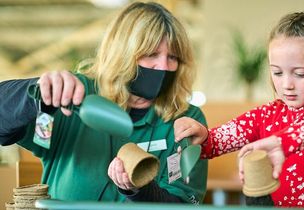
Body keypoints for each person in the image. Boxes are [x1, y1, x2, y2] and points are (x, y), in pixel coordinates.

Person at [0, 2, 208, 203]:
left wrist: (141, 189)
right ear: (122, 54)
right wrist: (37, 92)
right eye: (151, 54)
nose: (163, 66)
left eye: (173, 57)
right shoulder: (74, 99)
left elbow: (183, 202)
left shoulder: (185, 120)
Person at [174, 11, 304, 209]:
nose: (287, 84)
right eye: (277, 72)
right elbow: (216, 140)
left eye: (300, 74)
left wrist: (283, 142)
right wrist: (203, 135)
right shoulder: (267, 115)